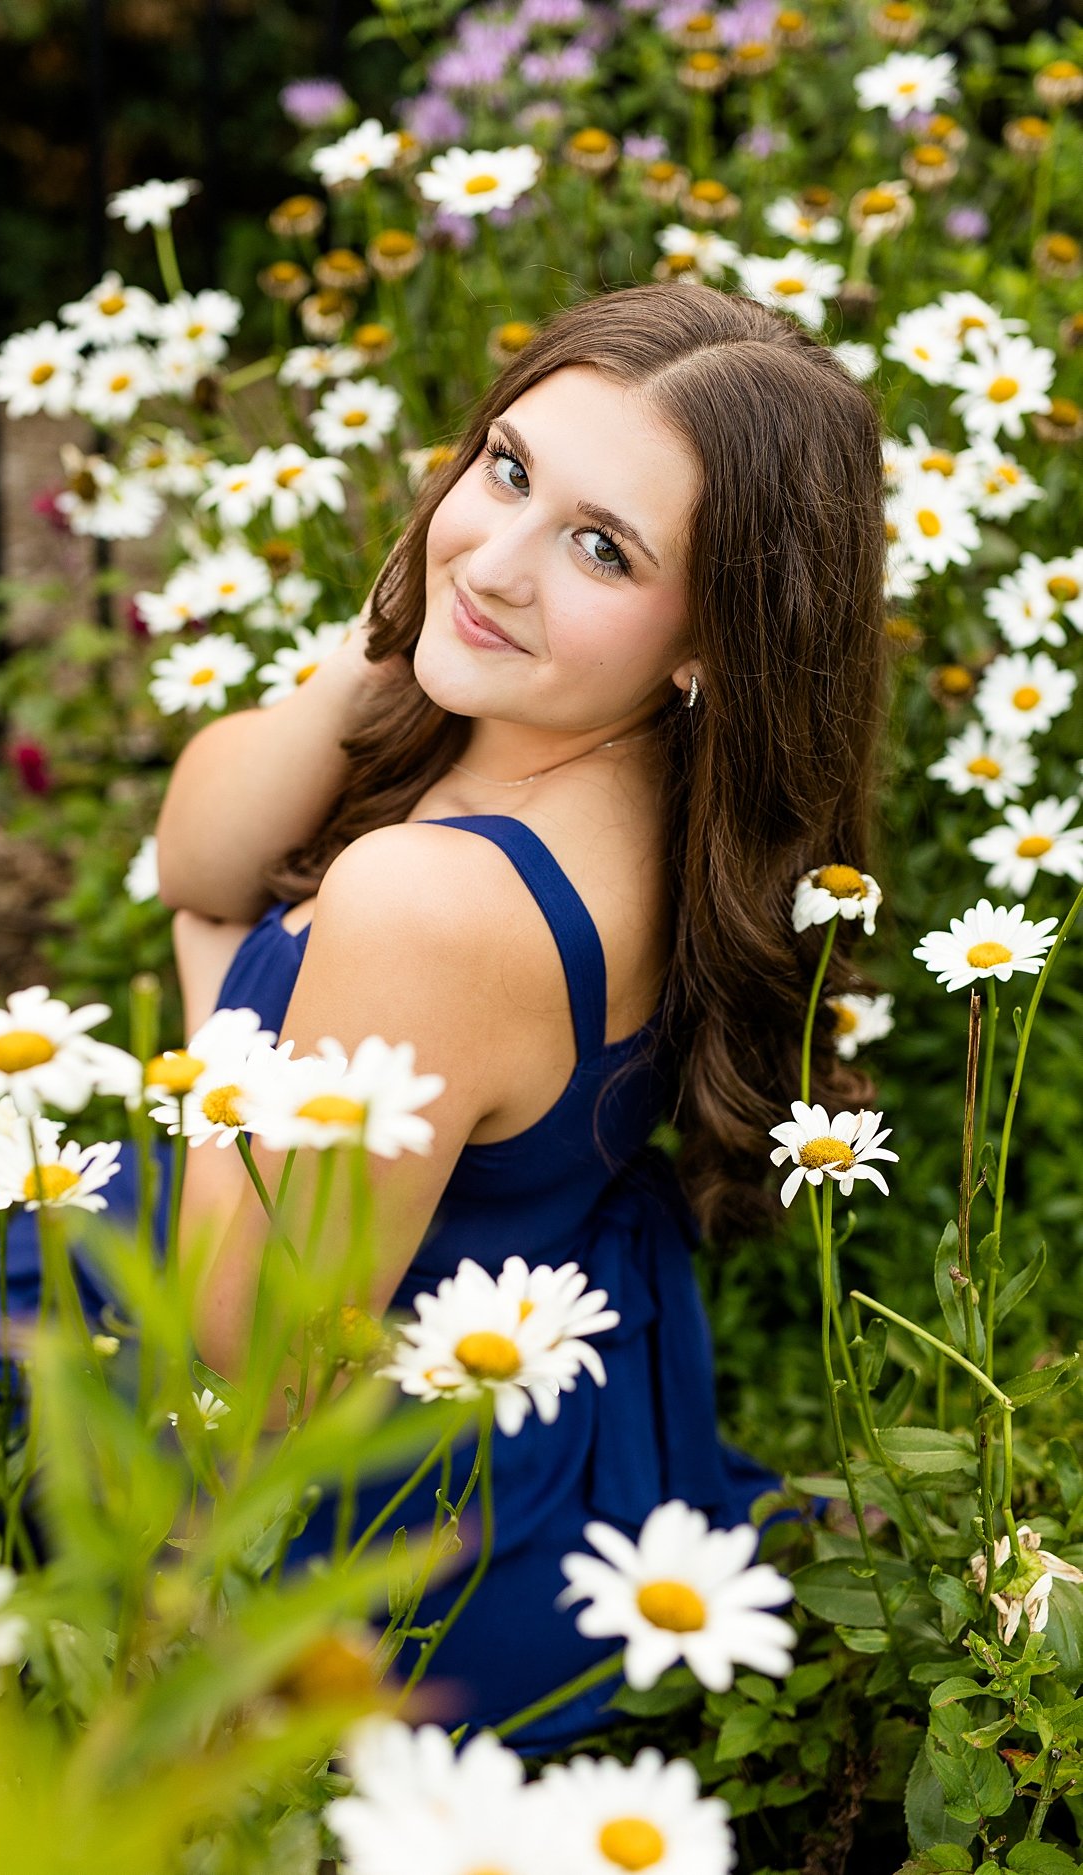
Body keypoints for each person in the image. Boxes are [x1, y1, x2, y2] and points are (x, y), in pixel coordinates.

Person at [157, 282, 886, 1745]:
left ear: (712, 642)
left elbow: (242, 1359)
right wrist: (410, 620)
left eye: (603, 546)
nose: (498, 555)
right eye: (504, 466)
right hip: (540, 1395)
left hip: (382, 1554)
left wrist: (221, 1005)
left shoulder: (433, 905)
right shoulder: (628, 772)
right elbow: (196, 854)